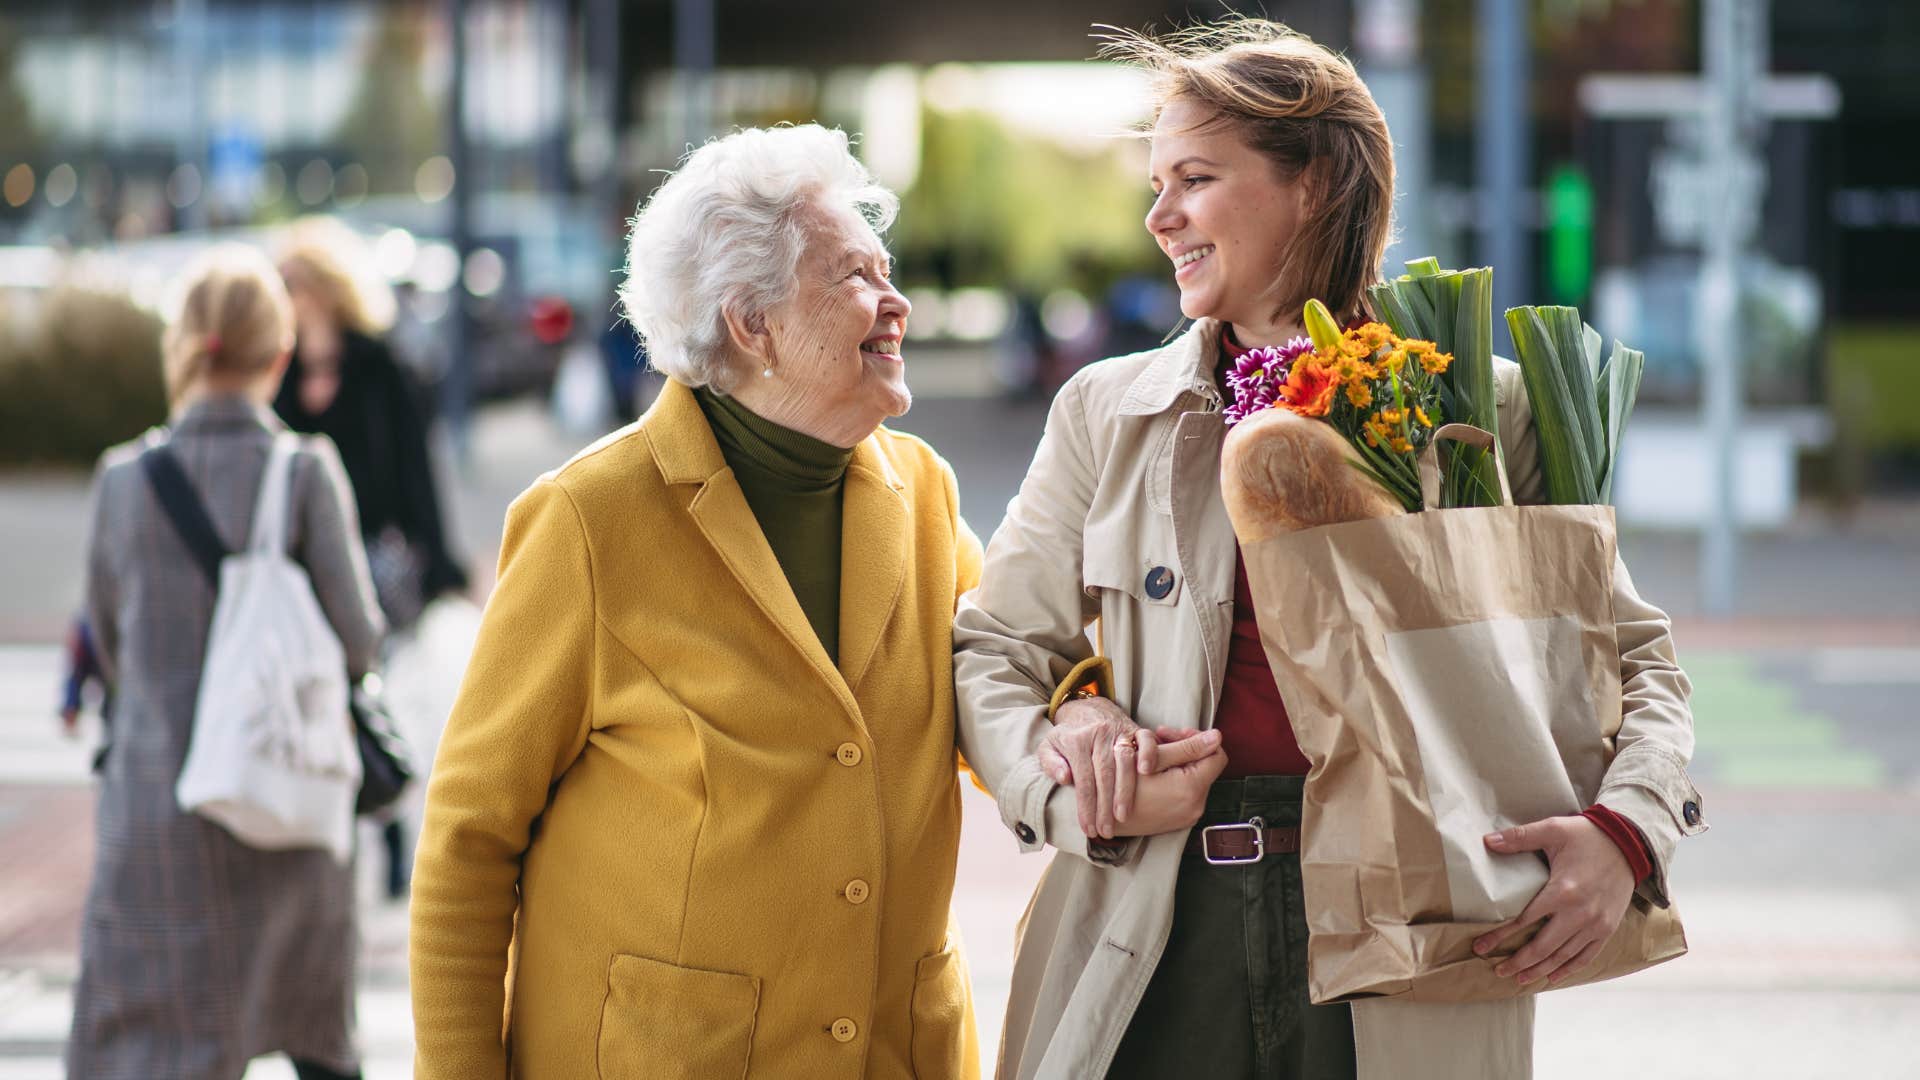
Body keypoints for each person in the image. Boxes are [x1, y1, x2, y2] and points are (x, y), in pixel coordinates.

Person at [953, 19, 1705, 1080]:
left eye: (1195, 179)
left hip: (1417, 938)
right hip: (1153, 938)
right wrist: (1075, 776)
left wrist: (1627, 834)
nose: (1158, 216)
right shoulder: (1104, 411)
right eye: (1156, 182)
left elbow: (1635, 661)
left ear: (1313, 185)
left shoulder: (1485, 408)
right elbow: (993, 654)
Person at [408, 124, 992, 1079]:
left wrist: (1080, 709)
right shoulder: (590, 521)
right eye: (856, 278)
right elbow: (468, 848)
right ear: (750, 324)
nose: (898, 305)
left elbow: (1003, 668)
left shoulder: (923, 491)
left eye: (886, 271)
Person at [68, 245, 384, 1080]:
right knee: (311, 1033)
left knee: (147, 1042)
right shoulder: (307, 473)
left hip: (158, 819)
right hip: (282, 811)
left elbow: (105, 644)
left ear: (183, 348)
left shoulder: (122, 482)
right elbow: (359, 642)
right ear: (279, 357)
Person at [273, 217, 467, 898]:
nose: (288, 297)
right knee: (311, 691)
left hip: (375, 560)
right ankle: (329, 826)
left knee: (367, 690)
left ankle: (386, 827)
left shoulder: (378, 364)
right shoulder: (282, 368)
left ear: (326, 289)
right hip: (299, 561)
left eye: (296, 283)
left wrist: (439, 557)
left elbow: (417, 469)